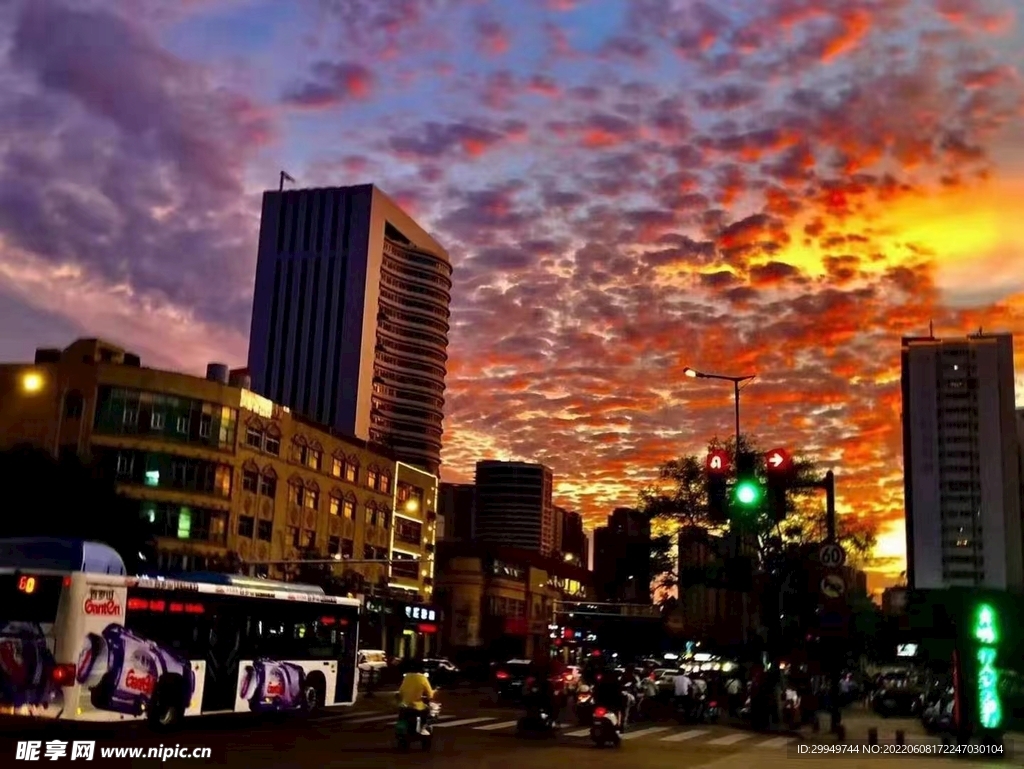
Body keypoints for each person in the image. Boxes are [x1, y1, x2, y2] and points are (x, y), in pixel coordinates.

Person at [397, 659, 435, 735]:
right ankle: (423, 729)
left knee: (401, 716)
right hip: (417, 706)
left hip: (405, 705)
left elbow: (401, 691)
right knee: (428, 712)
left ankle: (400, 731)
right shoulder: (422, 678)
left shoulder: (407, 677)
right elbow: (430, 694)